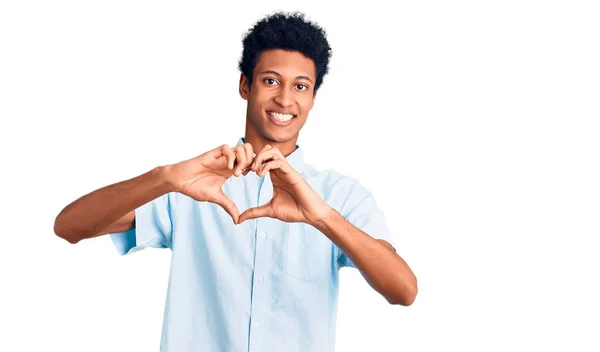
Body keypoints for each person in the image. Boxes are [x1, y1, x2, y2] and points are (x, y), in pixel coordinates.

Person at [54, 11, 418, 352]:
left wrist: (322, 217)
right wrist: (164, 178)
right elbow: (69, 227)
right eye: (271, 80)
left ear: (313, 99)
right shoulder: (191, 185)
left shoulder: (340, 195)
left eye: (301, 86)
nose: (285, 99)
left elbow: (403, 291)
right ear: (245, 85)